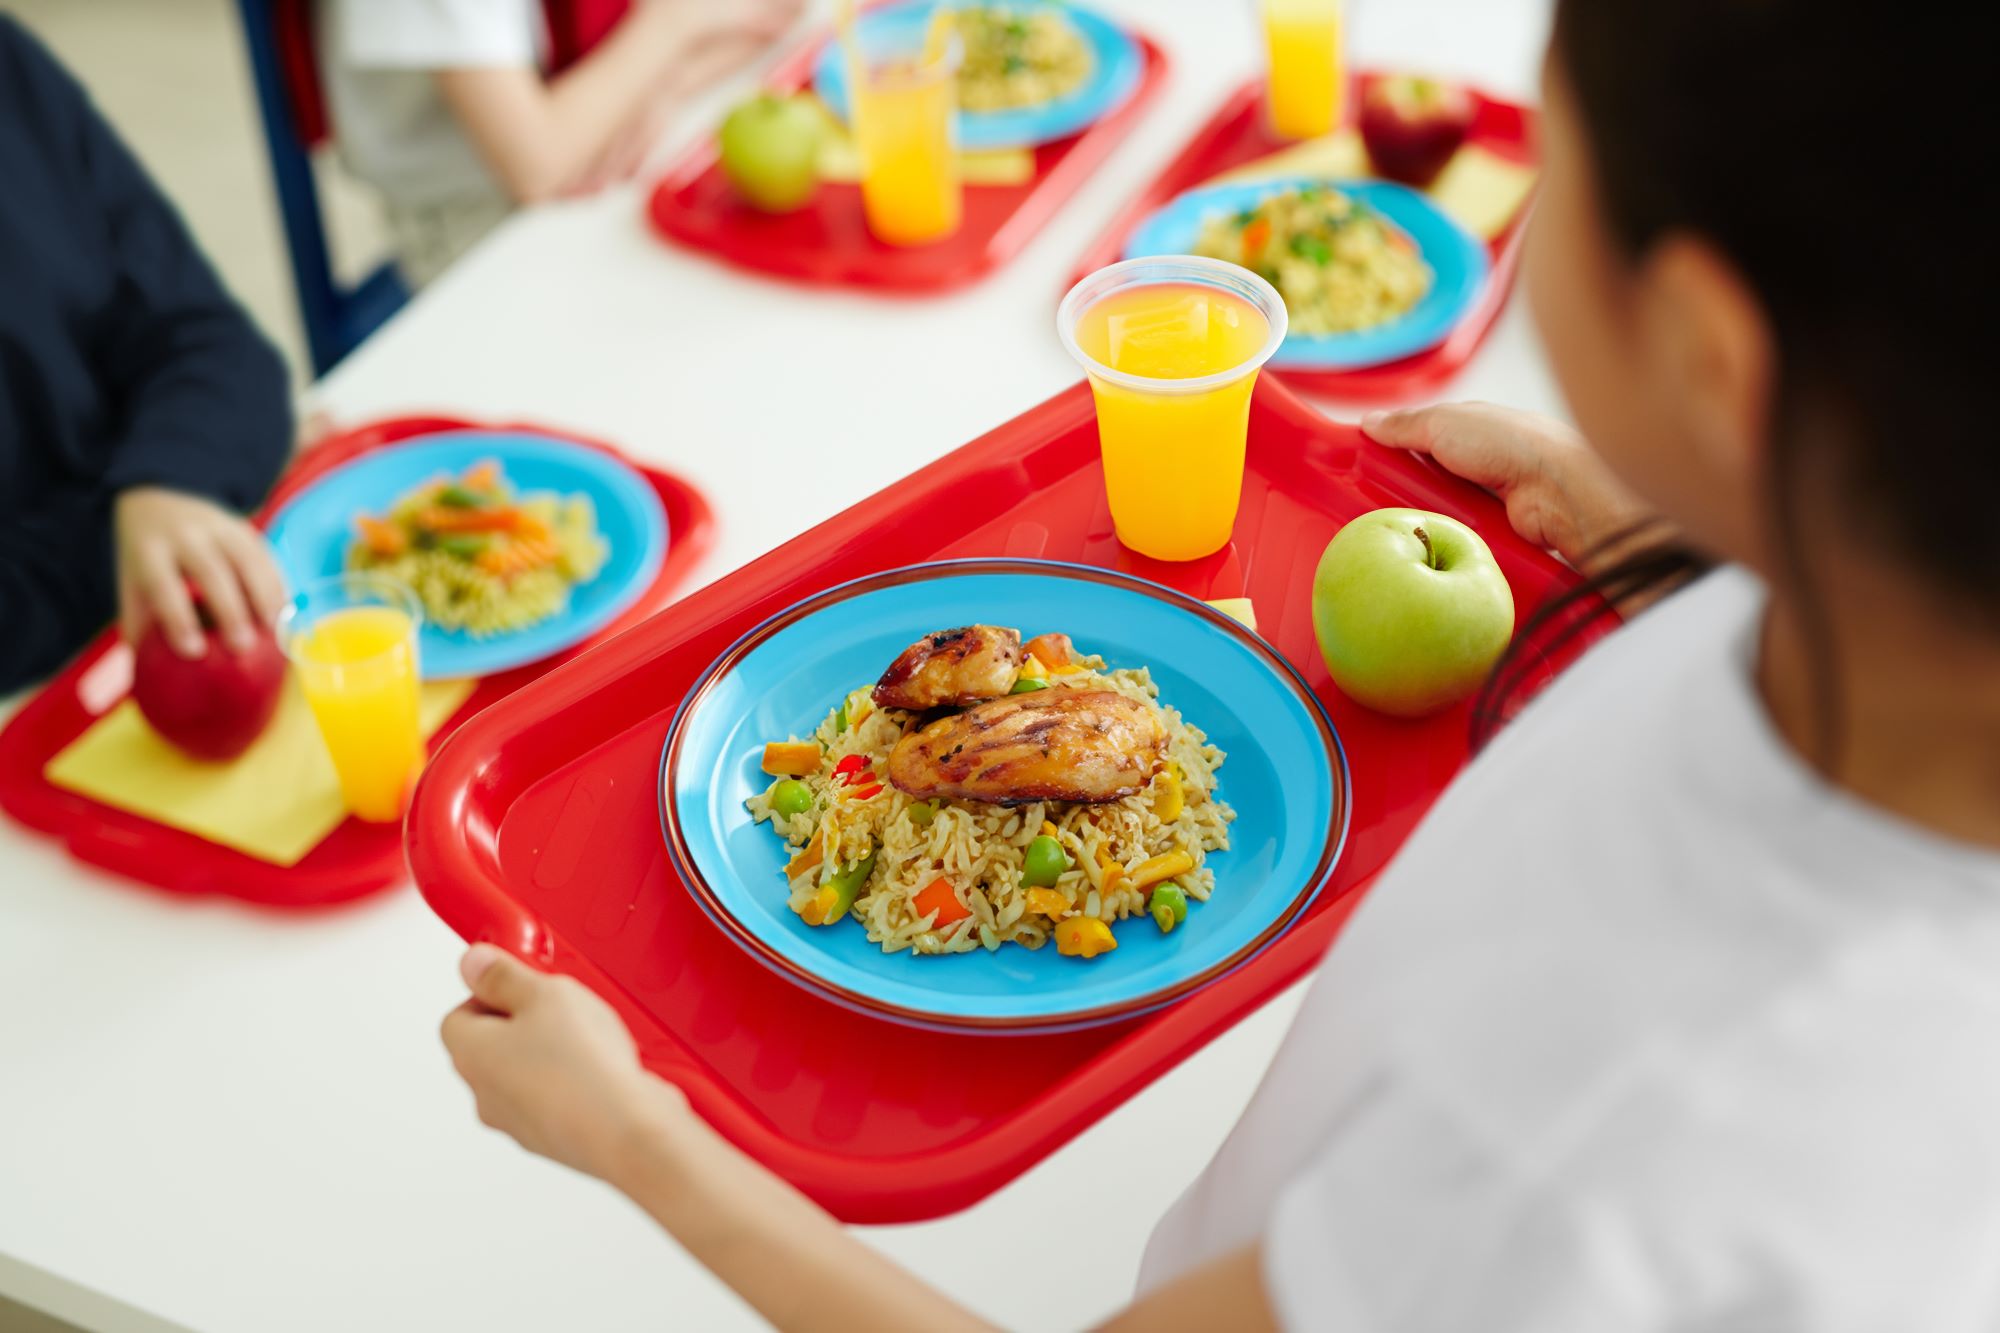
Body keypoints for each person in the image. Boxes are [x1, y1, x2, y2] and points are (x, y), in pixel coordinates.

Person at [440, 0, 2000, 1325]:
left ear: (1716, 360)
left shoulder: (1570, 1164)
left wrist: (643, 1145)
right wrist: (1654, 535)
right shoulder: (1875, 606)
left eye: (1554, 163)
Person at [0, 17, 292, 695]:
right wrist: (163, 495)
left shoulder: (11, 69)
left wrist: (170, 480)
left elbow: (211, 338)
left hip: (150, 636)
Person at [319, 0, 803, 287]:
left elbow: (777, 12)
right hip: (480, 219)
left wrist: (664, 82)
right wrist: (672, 23)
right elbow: (538, 165)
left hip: (624, 139)